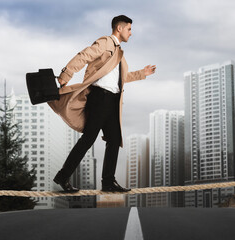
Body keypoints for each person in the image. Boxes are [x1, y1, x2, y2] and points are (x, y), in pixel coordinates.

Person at [48, 15, 156, 192]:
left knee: (114, 140)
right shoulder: (106, 42)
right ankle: (63, 176)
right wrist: (65, 75)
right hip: (100, 98)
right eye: (129, 29)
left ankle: (108, 182)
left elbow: (122, 79)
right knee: (88, 139)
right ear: (119, 29)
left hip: (113, 100)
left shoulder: (120, 54)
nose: (131, 33)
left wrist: (142, 73)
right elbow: (83, 56)